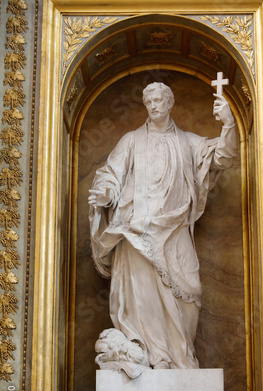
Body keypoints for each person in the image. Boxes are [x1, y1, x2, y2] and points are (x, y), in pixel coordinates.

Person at [88, 82, 236, 373]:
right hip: (136, 235)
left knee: (190, 290)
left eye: (159, 101)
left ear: (170, 103)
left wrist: (228, 122)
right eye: (149, 102)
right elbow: (110, 174)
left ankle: (180, 358)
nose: (154, 106)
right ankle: (155, 358)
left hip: (175, 230)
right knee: (142, 298)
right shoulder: (131, 140)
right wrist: (105, 193)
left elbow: (223, 156)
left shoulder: (189, 143)